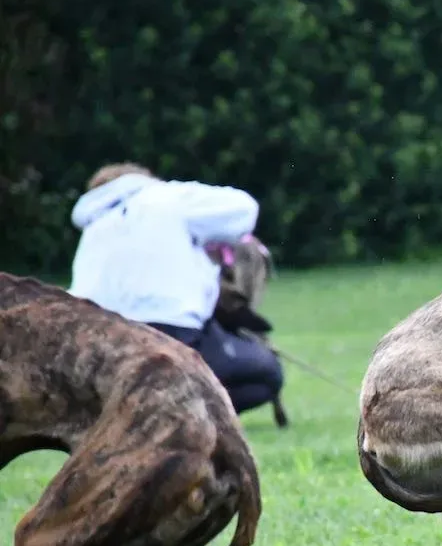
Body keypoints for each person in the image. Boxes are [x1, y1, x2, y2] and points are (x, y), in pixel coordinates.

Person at [68, 162, 285, 415]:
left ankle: (137, 414)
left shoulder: (96, 225)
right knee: (267, 374)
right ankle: (179, 417)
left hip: (97, 343)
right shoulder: (166, 197)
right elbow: (244, 210)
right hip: (172, 334)